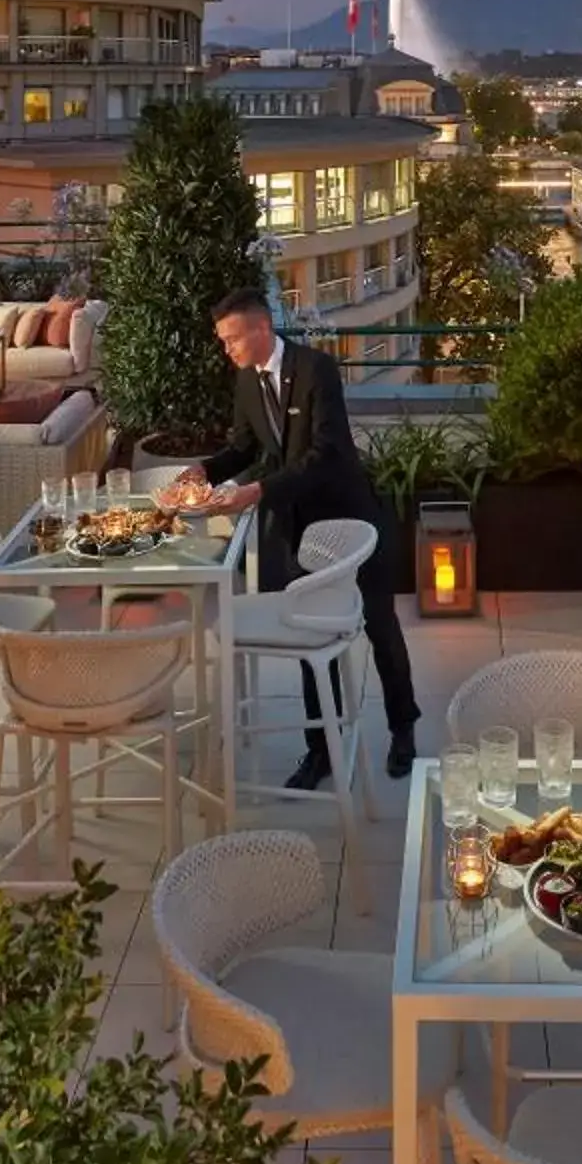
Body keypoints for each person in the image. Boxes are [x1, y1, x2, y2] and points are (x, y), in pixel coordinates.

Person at [190, 288, 420, 789]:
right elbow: (243, 446)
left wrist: (255, 492)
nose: (226, 349)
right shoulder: (247, 383)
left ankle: (404, 729)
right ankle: (321, 747)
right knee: (313, 633)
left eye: (231, 339)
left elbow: (326, 453)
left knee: (381, 625)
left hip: (351, 519)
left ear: (260, 329)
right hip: (301, 530)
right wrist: (202, 472)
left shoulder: (316, 370)